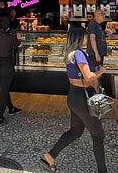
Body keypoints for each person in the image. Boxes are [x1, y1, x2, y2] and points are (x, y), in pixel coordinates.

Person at [41, 30, 108, 173]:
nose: (86, 39)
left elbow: (80, 74)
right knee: (98, 136)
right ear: (80, 38)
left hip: (74, 95)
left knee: (75, 131)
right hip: (83, 98)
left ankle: (50, 156)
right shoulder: (79, 53)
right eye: (85, 36)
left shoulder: (70, 54)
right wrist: (101, 71)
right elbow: (89, 76)